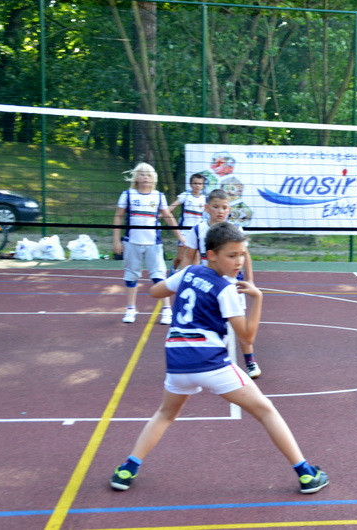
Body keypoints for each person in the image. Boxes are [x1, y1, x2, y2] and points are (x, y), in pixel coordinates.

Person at [109, 222, 328, 495]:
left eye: (242, 254)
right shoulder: (226, 289)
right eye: (232, 255)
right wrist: (258, 299)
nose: (239, 262)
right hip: (210, 362)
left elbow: (155, 292)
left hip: (177, 361)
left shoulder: (189, 272)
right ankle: (306, 473)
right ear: (212, 254)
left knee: (165, 413)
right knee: (266, 410)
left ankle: (127, 469)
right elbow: (247, 337)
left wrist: (181, 280)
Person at [178, 189, 261, 379]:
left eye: (224, 207)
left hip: (233, 285)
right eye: (216, 207)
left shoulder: (236, 230)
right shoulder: (198, 230)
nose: (220, 211)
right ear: (207, 208)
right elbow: (189, 257)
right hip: (208, 286)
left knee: (241, 323)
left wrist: (250, 280)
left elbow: (246, 256)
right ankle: (210, 360)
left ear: (229, 209)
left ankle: (250, 361)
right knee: (211, 323)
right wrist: (186, 278)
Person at [113, 162, 185, 325]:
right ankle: (131, 309)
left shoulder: (158, 196)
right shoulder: (128, 195)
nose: (145, 177)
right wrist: (116, 240)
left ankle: (167, 310)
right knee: (131, 276)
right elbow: (118, 216)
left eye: (149, 174)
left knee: (159, 276)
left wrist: (180, 236)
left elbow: (168, 216)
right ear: (136, 178)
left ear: (153, 178)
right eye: (142, 174)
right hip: (132, 242)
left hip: (153, 243)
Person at [168, 173, 207, 274]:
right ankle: (173, 269)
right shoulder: (185, 195)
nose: (197, 185)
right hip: (184, 231)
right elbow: (171, 207)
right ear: (190, 184)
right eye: (195, 183)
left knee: (196, 256)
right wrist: (162, 214)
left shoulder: (204, 199)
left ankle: (193, 277)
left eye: (199, 183)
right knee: (180, 257)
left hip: (198, 232)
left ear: (203, 186)